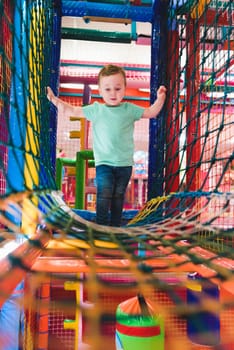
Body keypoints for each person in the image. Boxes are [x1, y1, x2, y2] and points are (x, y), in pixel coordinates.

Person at [47, 64, 166, 226]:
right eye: (108, 89)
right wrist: (55, 100)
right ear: (100, 91)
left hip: (124, 164)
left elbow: (151, 112)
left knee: (118, 196)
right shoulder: (97, 110)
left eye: (117, 88)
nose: (113, 93)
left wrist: (160, 99)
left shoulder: (129, 109)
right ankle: (101, 226)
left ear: (124, 89)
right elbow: (73, 111)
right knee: (104, 193)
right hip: (104, 164)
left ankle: (115, 226)